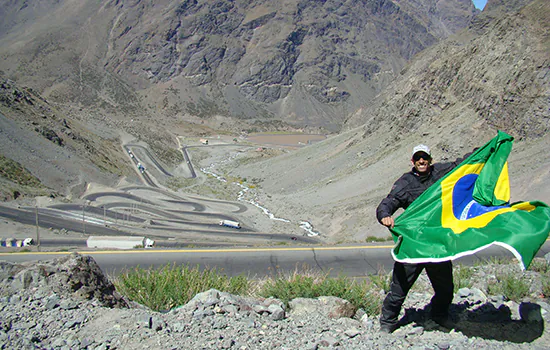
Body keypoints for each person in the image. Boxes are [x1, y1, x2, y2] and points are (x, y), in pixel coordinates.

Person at [376, 144, 473, 333]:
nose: (422, 161)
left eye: (425, 157)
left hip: (437, 244)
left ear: (430, 159)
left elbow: (464, 164)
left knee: (445, 289)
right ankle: (387, 322)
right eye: (418, 158)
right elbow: (387, 203)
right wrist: (384, 216)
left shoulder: (442, 172)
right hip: (414, 244)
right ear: (412, 161)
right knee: (399, 289)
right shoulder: (405, 183)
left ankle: (439, 316)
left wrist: (485, 150)